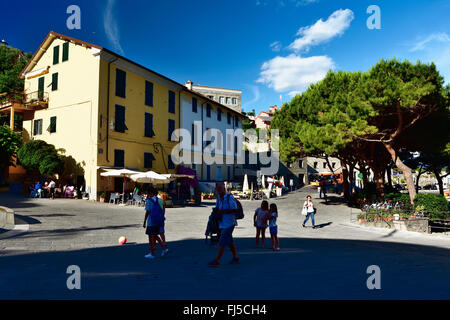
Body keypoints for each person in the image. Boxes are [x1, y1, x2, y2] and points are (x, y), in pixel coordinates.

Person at [208, 182, 240, 267]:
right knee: (229, 241)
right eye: (217, 189)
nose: (219, 191)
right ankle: (236, 257)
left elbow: (234, 209)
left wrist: (223, 211)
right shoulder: (218, 198)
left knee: (222, 241)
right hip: (222, 223)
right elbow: (218, 208)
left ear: (224, 189)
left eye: (220, 189)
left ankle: (217, 260)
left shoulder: (229, 197)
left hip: (229, 223)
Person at [143, 187, 168, 259]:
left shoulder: (149, 201)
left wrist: (144, 221)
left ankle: (152, 253)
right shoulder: (160, 200)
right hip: (159, 221)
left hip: (151, 221)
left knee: (151, 237)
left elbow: (147, 212)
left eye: (148, 193)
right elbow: (163, 208)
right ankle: (164, 248)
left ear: (150, 193)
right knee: (156, 235)